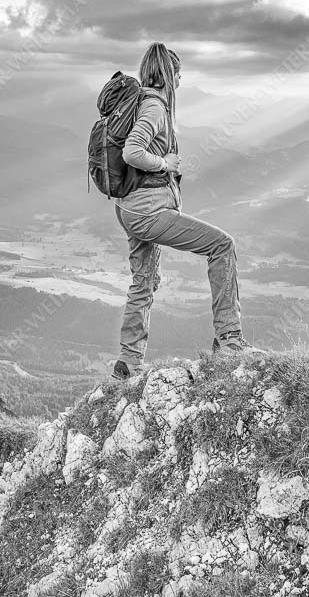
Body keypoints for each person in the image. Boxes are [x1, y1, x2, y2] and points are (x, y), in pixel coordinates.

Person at [112, 42, 262, 381]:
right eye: (178, 76)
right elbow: (132, 152)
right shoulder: (154, 108)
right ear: (167, 76)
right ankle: (230, 341)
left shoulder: (137, 103)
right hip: (148, 211)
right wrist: (165, 163)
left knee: (144, 280)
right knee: (222, 245)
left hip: (128, 208)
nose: (179, 83)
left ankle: (128, 360)